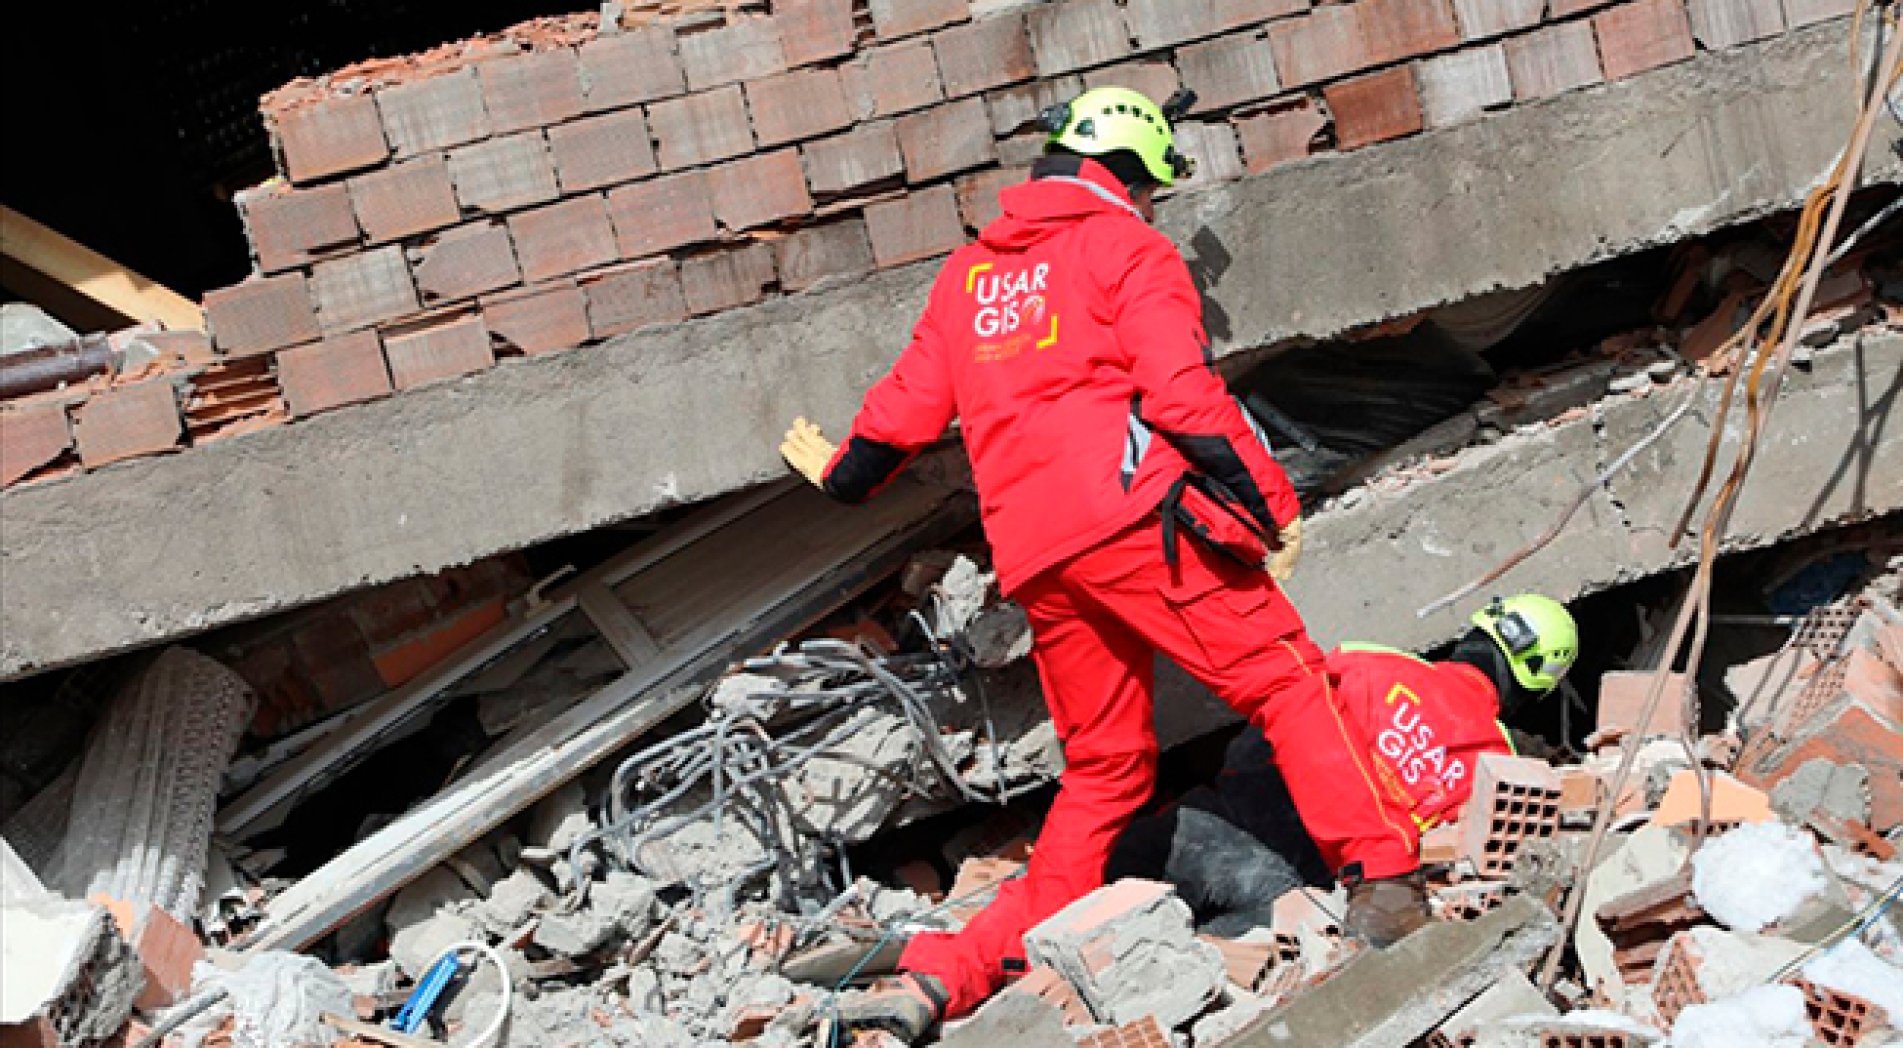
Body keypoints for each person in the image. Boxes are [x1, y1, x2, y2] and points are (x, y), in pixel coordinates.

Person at [780, 86, 1415, 1041]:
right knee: (1287, 683)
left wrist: (838, 471)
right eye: (1153, 186)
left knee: (1104, 773)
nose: (1156, 204)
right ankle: (1389, 886)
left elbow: (895, 426)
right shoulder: (1127, 248)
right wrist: (1272, 504)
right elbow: (1184, 400)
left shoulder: (966, 278)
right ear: (1127, 175)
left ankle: (953, 973)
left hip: (1038, 558)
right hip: (1138, 528)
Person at [1105, 595, 1580, 937]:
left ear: (1479, 630)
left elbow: (1285, 706)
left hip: (1206, 822)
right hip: (1289, 895)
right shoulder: (1495, 766)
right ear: (1537, 684)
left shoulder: (1378, 660)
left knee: (1088, 912)